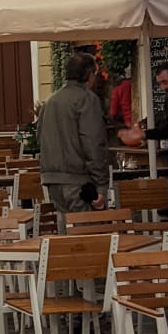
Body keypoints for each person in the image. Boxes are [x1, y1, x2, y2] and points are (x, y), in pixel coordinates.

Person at [36, 50, 109, 215]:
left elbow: (40, 138)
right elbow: (93, 143)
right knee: (88, 236)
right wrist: (101, 186)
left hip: (53, 180)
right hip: (79, 182)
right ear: (89, 75)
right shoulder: (86, 99)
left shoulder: (50, 101)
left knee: (67, 235)